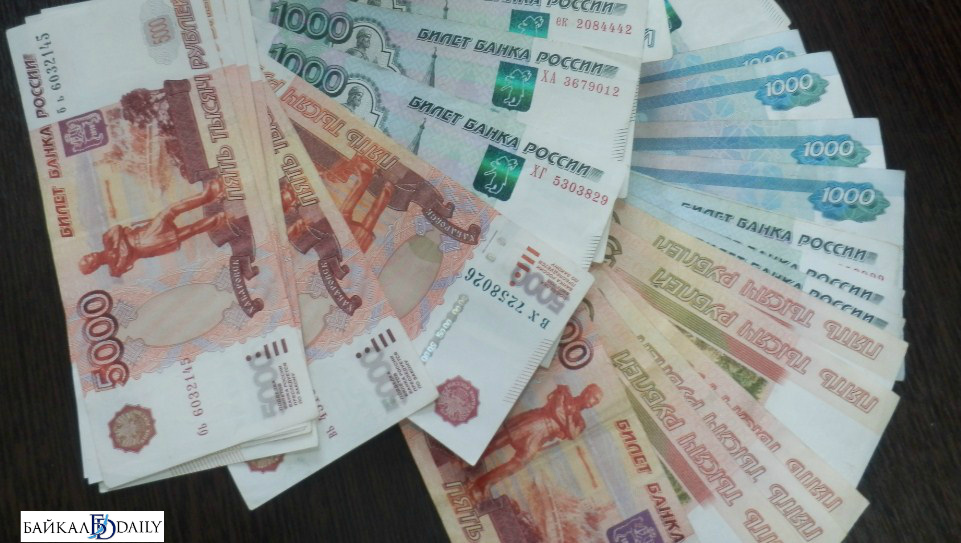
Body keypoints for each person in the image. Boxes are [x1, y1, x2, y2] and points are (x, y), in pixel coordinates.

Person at [468, 383, 603, 500]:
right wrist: (568, 421)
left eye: (597, 402)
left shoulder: (580, 422)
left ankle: (483, 483)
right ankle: (468, 460)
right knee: (499, 441)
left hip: (541, 437)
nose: (594, 403)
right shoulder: (564, 392)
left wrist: (568, 414)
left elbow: (573, 435)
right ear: (586, 392)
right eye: (594, 398)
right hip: (534, 421)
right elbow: (556, 411)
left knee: (520, 462)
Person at [79, 179, 226, 277]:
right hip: (148, 246)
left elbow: (117, 229)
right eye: (88, 260)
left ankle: (207, 196)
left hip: (144, 231)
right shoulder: (115, 270)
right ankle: (219, 219)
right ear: (93, 267)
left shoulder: (106, 239)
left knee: (170, 210)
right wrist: (122, 243)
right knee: (188, 231)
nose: (90, 255)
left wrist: (119, 245)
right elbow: (125, 253)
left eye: (86, 256)